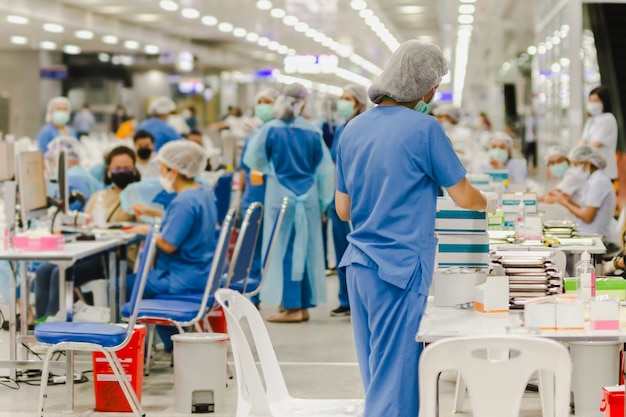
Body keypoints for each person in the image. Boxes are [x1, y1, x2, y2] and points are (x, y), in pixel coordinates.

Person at [335, 40, 492, 417]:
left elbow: (343, 210)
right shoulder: (425, 129)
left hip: (358, 266)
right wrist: (488, 203)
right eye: (434, 87)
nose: (433, 94)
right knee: (398, 378)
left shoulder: (353, 129)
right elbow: (464, 195)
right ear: (423, 88)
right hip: (399, 269)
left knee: (376, 373)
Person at [243, 83, 334, 323]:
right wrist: (322, 202)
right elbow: (325, 170)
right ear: (304, 103)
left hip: (280, 198)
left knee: (283, 250)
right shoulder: (312, 132)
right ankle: (302, 305)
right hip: (309, 198)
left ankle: (291, 308)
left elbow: (255, 160)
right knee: (304, 250)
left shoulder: (270, 130)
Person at [127, 140, 218, 351]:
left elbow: (168, 245)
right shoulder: (202, 192)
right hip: (200, 271)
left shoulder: (183, 202)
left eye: (162, 170)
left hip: (180, 277)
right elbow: (186, 221)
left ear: (173, 171)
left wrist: (146, 231)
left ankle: (155, 345)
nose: (161, 175)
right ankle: (173, 342)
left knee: (122, 285)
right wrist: (152, 213)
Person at [35, 146, 141, 320]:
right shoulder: (99, 196)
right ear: (108, 170)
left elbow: (146, 224)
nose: (122, 172)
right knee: (44, 270)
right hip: (90, 253)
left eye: (127, 168)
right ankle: (40, 327)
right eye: (117, 168)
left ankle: (53, 330)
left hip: (115, 258)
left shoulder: (138, 196)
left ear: (135, 169)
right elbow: (85, 224)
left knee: (59, 273)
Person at [328, 84, 369, 317]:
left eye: (348, 98)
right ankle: (346, 298)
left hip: (355, 196)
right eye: (341, 97)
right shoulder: (342, 127)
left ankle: (354, 299)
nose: (343, 102)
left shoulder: (361, 128)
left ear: (359, 102)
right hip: (339, 194)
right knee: (341, 249)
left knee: (354, 250)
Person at [238, 88, 279, 285]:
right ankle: (251, 289)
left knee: (271, 246)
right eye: (260, 102)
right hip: (253, 195)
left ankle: (269, 287)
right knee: (250, 245)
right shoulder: (252, 133)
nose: (263, 106)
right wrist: (239, 197)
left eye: (268, 102)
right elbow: (245, 168)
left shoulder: (279, 132)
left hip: (273, 194)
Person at [555, 145, 620, 248]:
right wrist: (570, 200)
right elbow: (586, 208)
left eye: (576, 165)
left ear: (588, 163)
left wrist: (564, 202)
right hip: (589, 235)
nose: (576, 169)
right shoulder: (595, 180)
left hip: (595, 239)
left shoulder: (599, 182)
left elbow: (587, 217)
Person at [44, 136, 102, 210]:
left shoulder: (69, 179)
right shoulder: (89, 177)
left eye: (54, 160)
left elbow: (66, 212)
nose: (53, 165)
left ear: (69, 160)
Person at [581, 86, 618, 181]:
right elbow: (583, 141)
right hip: (592, 172)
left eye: (596, 100)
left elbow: (595, 145)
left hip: (605, 172)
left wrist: (578, 155)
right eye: (590, 100)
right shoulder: (590, 120)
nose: (592, 104)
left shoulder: (608, 119)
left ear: (604, 102)